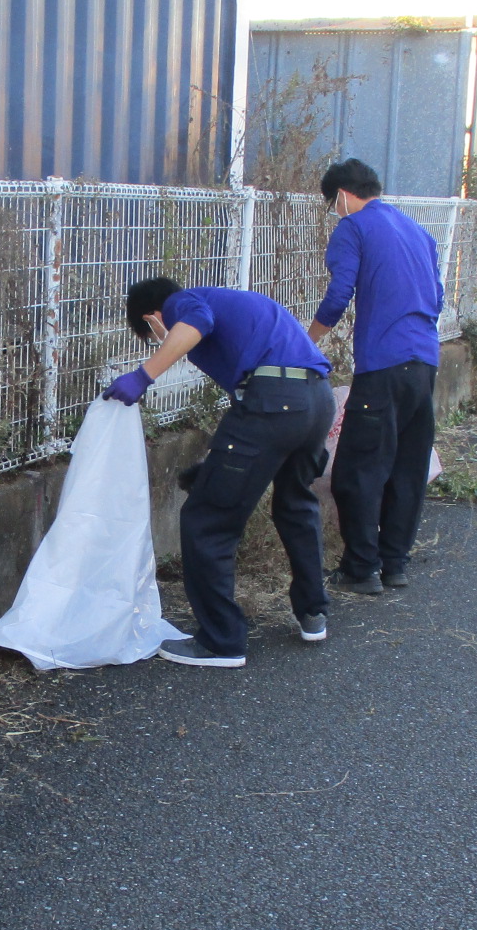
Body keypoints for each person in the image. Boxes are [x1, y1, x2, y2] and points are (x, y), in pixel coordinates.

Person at [103, 279, 333, 667]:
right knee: (295, 504)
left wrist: (144, 375)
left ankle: (221, 642)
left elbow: (197, 321)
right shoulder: (237, 303)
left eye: (152, 333)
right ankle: (313, 613)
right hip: (316, 401)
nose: (161, 337)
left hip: (274, 404)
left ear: (152, 317)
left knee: (207, 519)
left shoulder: (183, 303)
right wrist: (217, 467)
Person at [307, 159, 444, 595]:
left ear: (343, 195)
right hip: (425, 364)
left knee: (358, 468)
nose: (336, 210)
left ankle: (361, 568)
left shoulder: (354, 227)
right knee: (407, 466)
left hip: (383, 364)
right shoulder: (418, 232)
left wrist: (310, 341)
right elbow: (437, 295)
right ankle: (395, 564)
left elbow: (337, 294)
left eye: (334, 203)